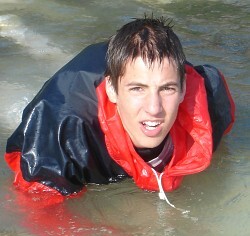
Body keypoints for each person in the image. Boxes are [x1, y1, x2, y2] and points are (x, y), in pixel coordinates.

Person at [5, 16, 235, 205]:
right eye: (138, 89)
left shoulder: (209, 97)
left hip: (127, 66)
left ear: (184, 88)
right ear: (112, 90)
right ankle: (18, 30)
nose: (154, 108)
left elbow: (224, 157)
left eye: (167, 89)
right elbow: (36, 207)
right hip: (71, 95)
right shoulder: (64, 126)